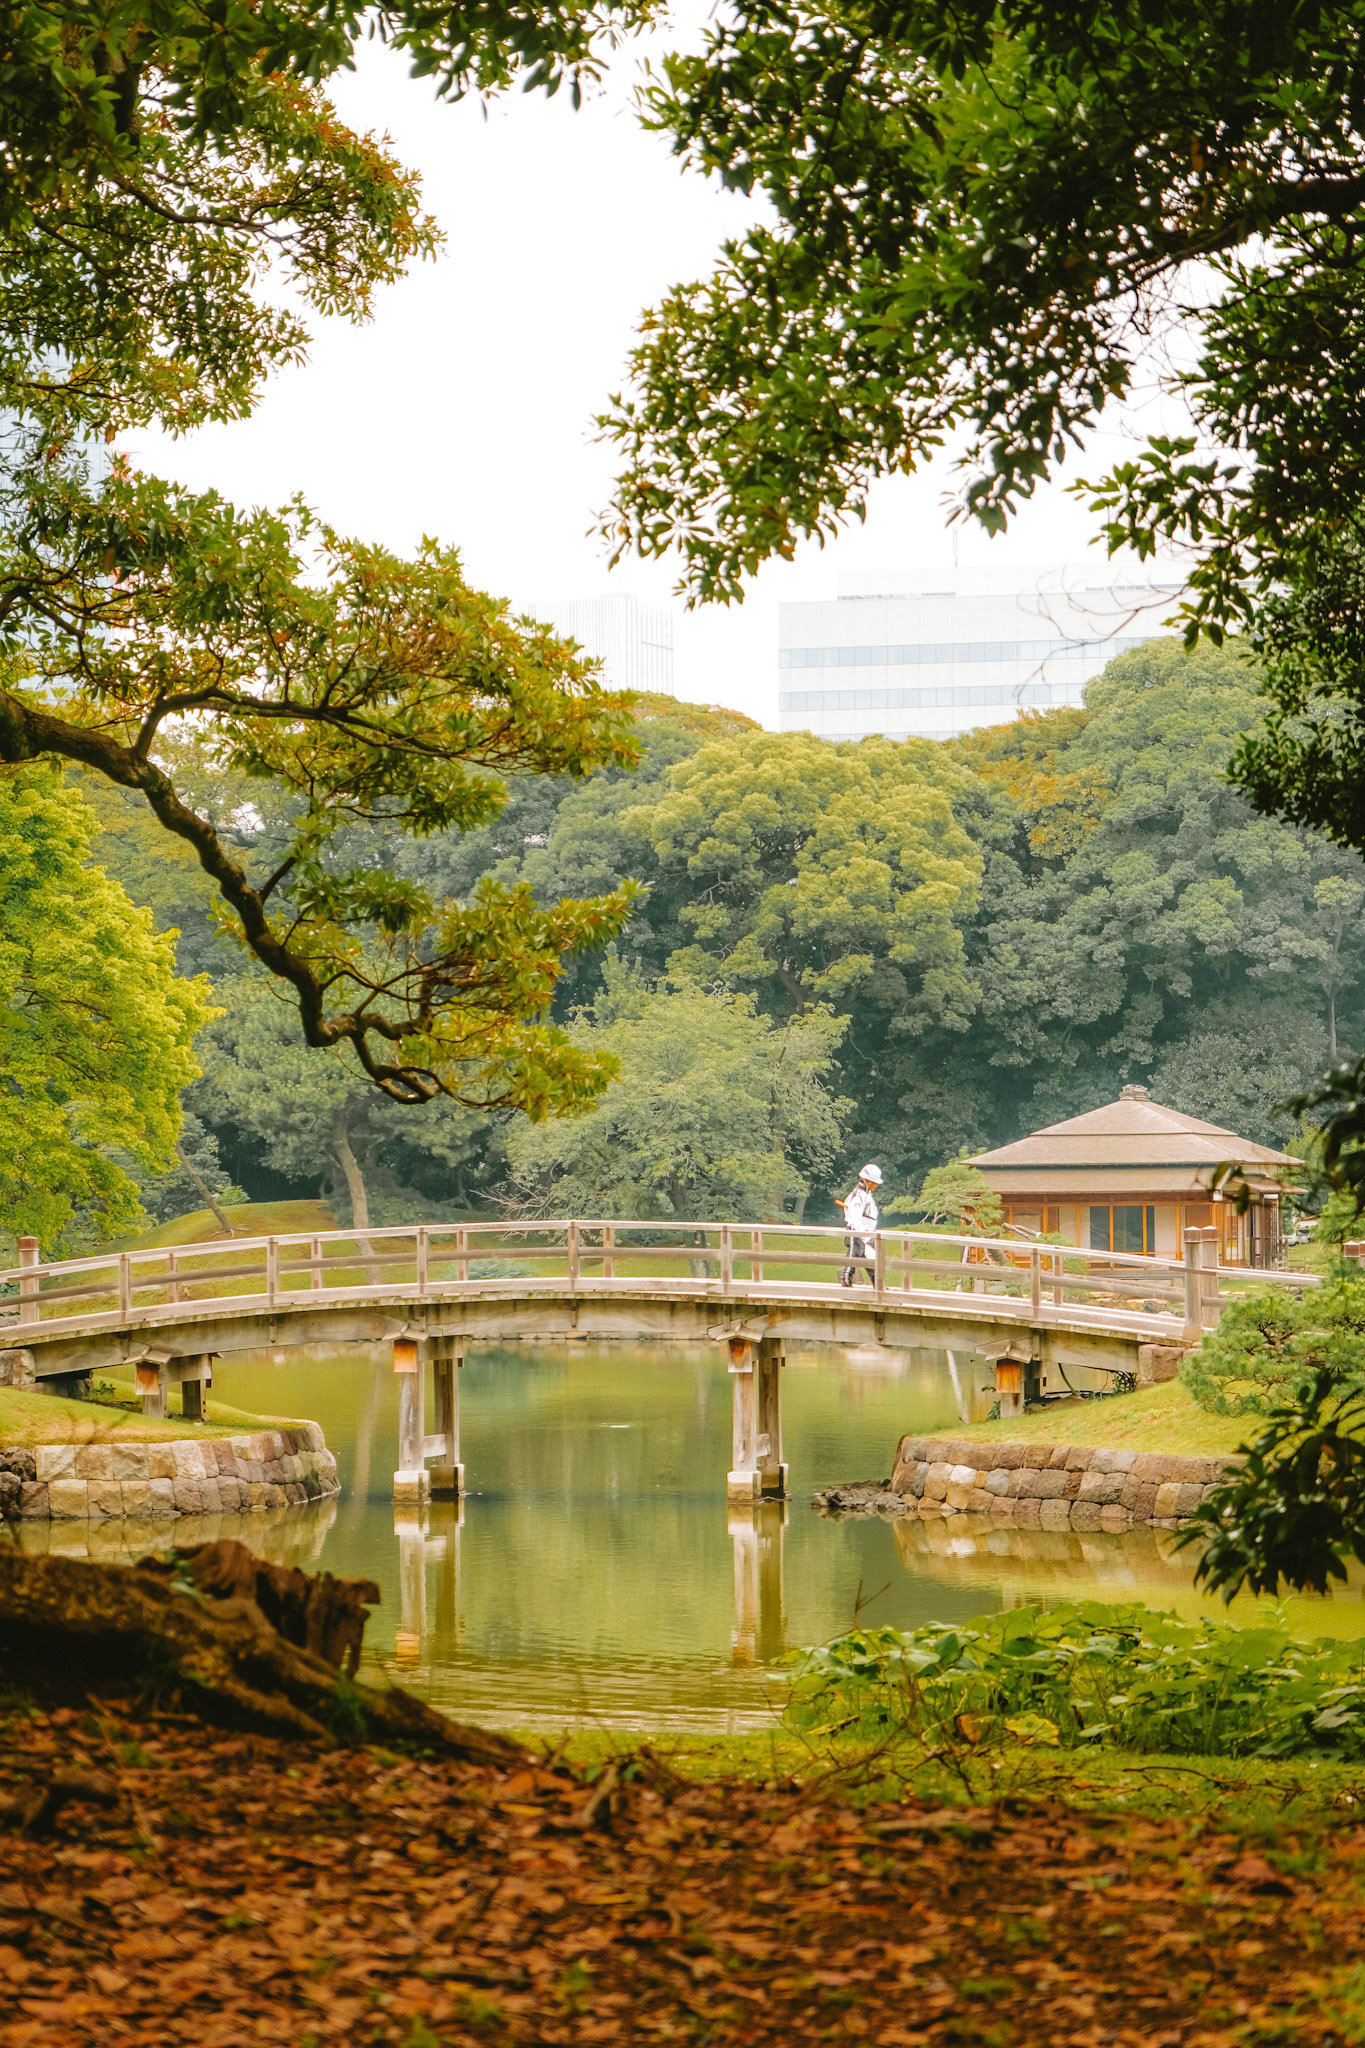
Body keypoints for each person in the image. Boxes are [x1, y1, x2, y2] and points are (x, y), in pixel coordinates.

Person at [836, 1165, 883, 1286]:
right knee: (853, 1258)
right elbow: (855, 1219)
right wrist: (864, 1236)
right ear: (867, 1181)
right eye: (874, 1183)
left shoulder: (866, 1195)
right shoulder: (857, 1196)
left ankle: (878, 1284)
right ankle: (846, 1282)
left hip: (867, 1233)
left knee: (872, 1260)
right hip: (857, 1233)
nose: (876, 1186)